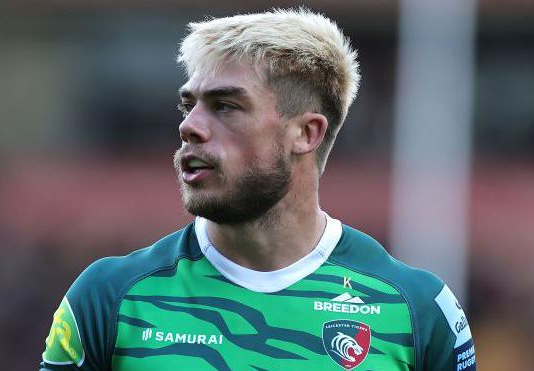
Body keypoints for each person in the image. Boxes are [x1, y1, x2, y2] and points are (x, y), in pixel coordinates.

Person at [39, 8, 475, 371]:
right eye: (189, 106)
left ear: (306, 133)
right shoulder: (110, 300)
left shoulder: (417, 311)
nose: (189, 127)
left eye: (225, 106)